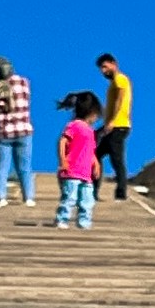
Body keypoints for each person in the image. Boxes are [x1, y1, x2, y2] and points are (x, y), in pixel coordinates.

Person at [0, 56, 34, 203]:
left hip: (3, 133)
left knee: (1, 167)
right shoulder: (24, 82)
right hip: (24, 131)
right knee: (25, 167)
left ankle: (1, 197)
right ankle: (29, 198)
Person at [51, 92, 102, 228]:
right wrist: (62, 160)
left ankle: (84, 222)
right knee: (70, 197)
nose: (96, 118)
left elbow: (90, 150)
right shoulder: (74, 126)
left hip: (86, 174)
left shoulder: (91, 131)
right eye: (96, 114)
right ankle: (62, 219)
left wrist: (95, 163)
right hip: (71, 171)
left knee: (87, 199)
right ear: (90, 111)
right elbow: (63, 142)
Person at [92, 52, 136, 198]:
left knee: (116, 159)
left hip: (118, 126)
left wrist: (111, 121)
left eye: (105, 67)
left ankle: (121, 193)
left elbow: (119, 100)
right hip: (113, 126)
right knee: (96, 154)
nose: (103, 71)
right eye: (101, 69)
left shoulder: (120, 79)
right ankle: (93, 191)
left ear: (113, 64)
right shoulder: (114, 82)